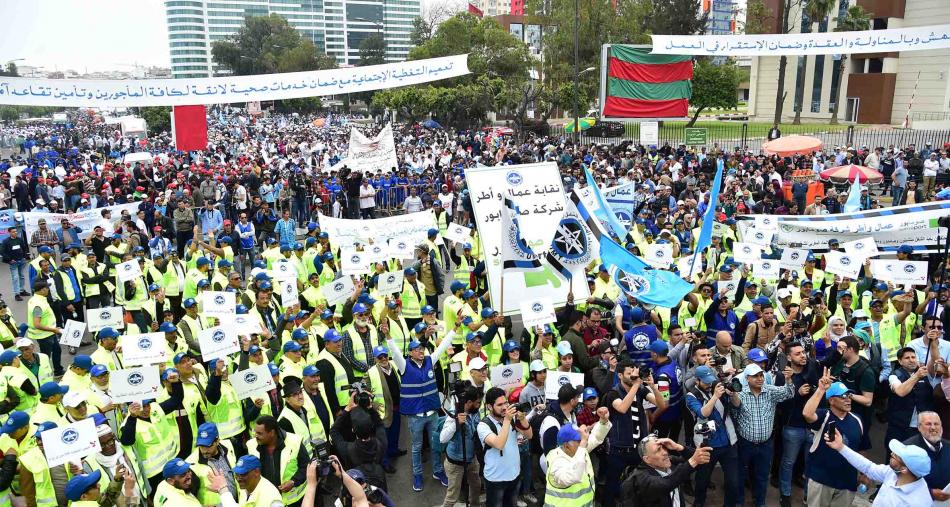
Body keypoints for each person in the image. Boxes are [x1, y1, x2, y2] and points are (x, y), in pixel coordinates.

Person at [384, 326, 454, 491]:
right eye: (416, 350)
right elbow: (394, 351)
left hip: (432, 414)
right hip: (415, 417)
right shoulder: (404, 366)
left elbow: (443, 345)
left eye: (422, 348)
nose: (421, 351)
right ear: (410, 353)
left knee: (435, 444)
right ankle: (417, 475)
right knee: (416, 447)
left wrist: (455, 328)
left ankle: (438, 471)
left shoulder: (430, 360)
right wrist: (387, 335)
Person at [601, 360, 666, 507]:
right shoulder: (613, 393)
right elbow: (622, 408)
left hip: (639, 449)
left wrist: (652, 387)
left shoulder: (641, 390)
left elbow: (661, 405)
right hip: (618, 449)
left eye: (634, 373)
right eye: (629, 374)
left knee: (640, 484)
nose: (633, 376)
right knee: (611, 485)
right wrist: (636, 385)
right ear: (620, 375)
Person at [731, 363, 795, 507]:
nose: (760, 379)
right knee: (740, 474)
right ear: (747, 378)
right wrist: (732, 394)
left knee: (762, 476)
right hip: (745, 443)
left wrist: (789, 380)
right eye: (755, 376)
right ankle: (739, 502)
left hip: (766, 444)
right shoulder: (740, 394)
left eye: (761, 375)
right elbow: (735, 407)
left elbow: (788, 393)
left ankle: (760, 502)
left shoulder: (770, 391)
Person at [802, 373, 866, 507]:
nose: (848, 399)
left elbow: (862, 448)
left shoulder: (857, 420)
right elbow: (807, 414)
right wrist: (821, 390)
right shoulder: (823, 415)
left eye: (849, 396)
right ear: (831, 400)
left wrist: (864, 473)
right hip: (821, 480)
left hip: (847, 482)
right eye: (843, 396)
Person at [684, 365, 740, 507]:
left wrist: (733, 394)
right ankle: (698, 504)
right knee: (702, 481)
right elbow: (703, 413)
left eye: (711, 381)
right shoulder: (691, 396)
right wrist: (715, 396)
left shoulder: (718, 389)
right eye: (706, 382)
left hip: (728, 442)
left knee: (733, 482)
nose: (709, 385)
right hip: (707, 445)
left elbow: (738, 405)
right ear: (697, 381)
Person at [826, 433, 933, 506]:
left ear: (904, 469)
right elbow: (868, 467)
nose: (891, 454)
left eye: (895, 456)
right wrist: (841, 447)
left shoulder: (919, 502)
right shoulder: (892, 473)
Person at [478, 386, 533, 507]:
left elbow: (529, 435)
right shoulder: (483, 425)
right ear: (489, 407)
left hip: (514, 475)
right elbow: (499, 444)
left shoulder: (511, 418)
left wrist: (523, 420)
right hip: (495, 479)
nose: (504, 407)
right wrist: (507, 420)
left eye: (506, 403)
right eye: (499, 405)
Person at [622, 436, 712, 507]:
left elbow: (701, 461)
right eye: (658, 450)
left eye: (663, 447)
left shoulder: (669, 461)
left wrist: (678, 447)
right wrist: (693, 461)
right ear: (647, 459)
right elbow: (666, 483)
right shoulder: (641, 477)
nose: (665, 452)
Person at [542, 421, 609, 507]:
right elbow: (571, 477)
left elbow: (596, 437)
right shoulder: (556, 460)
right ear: (566, 445)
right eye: (578, 441)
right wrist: (582, 444)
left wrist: (604, 422)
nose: (581, 443)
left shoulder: (577, 450)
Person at [439, 385, 482, 507]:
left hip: (472, 460)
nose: (479, 405)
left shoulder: (475, 412)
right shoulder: (454, 415)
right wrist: (456, 423)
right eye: (477, 403)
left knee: (476, 487)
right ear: (469, 403)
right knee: (452, 497)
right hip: (455, 464)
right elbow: (442, 438)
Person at [902, 411, 950, 501]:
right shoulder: (908, 448)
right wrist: (929, 492)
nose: (933, 427)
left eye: (936, 424)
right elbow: (899, 481)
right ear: (919, 427)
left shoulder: (948, 446)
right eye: (928, 424)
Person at [1, 227, 29, 301]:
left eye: (16, 231)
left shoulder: (19, 239)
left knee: (22, 276)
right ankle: (17, 294)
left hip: (21, 261)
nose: (15, 233)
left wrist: (25, 257)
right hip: (13, 263)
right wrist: (9, 259)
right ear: (9, 232)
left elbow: (24, 248)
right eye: (13, 232)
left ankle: (22, 290)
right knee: (15, 278)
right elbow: (2, 252)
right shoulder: (6, 241)